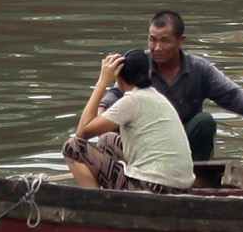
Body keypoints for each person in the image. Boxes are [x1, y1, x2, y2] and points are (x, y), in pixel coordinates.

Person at [103, 9, 243, 163]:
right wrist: (103, 106)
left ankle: (198, 180)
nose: (156, 47)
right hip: (146, 142)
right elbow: (116, 93)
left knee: (204, 122)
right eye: (152, 40)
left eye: (164, 41)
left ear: (181, 41)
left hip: (184, 145)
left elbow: (232, 94)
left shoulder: (198, 68)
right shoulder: (140, 64)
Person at [63, 50, 198, 191]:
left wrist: (102, 82)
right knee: (106, 140)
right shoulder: (156, 97)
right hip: (179, 185)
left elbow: (81, 133)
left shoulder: (132, 101)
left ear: (119, 78)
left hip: (152, 187)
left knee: (72, 147)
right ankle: (109, 189)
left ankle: (97, 202)